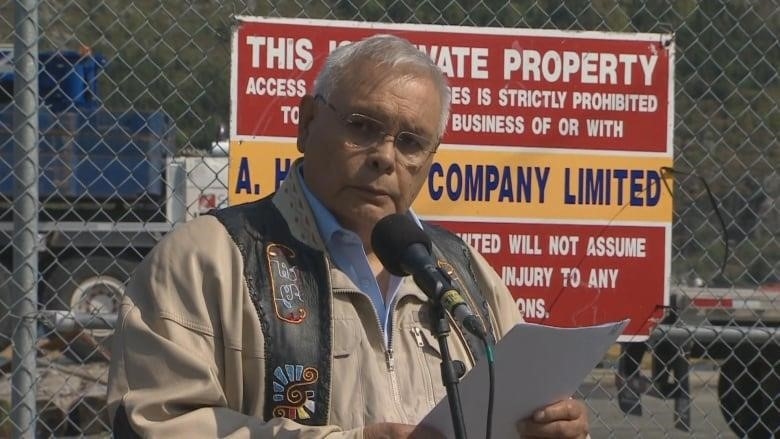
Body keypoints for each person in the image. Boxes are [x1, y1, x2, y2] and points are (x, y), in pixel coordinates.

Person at [107, 34, 590, 438]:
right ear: (307, 123)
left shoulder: (462, 271)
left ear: (430, 159)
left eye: (410, 142)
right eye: (363, 126)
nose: (384, 156)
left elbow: (514, 403)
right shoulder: (206, 259)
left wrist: (554, 426)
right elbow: (152, 422)